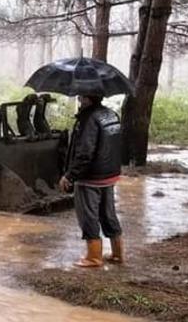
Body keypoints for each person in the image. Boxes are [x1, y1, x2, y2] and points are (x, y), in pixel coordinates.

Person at [59, 93, 124, 268]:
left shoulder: (88, 119)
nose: (79, 100)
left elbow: (85, 152)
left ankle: (94, 257)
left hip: (90, 177)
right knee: (108, 214)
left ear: (87, 98)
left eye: (81, 97)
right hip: (109, 174)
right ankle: (117, 254)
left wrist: (70, 175)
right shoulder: (111, 114)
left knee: (88, 216)